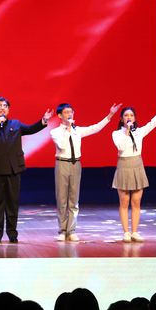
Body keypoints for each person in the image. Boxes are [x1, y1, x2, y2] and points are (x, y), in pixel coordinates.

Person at [0, 97, 53, 243]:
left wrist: (44, 120)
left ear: (8, 109)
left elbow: (31, 129)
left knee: (13, 203)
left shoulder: (16, 124)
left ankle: (12, 233)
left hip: (14, 169)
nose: (2, 108)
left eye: (5, 106)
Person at [50, 102, 122, 242]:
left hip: (76, 164)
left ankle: (71, 230)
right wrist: (68, 129)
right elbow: (62, 145)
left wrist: (110, 115)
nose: (70, 114)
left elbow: (96, 128)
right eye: (66, 112)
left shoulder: (78, 130)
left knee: (74, 199)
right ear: (60, 115)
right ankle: (62, 231)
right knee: (62, 199)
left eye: (71, 112)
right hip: (62, 163)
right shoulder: (55, 132)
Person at [112, 94, 156, 243]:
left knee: (136, 202)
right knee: (124, 202)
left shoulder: (139, 131)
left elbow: (154, 121)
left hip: (137, 165)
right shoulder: (117, 133)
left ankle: (135, 232)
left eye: (131, 115)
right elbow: (121, 147)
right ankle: (126, 233)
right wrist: (127, 131)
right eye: (126, 115)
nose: (129, 117)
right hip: (124, 165)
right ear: (121, 119)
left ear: (135, 118)